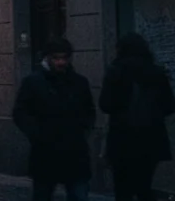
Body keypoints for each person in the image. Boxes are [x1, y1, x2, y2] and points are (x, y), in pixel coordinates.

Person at [13, 37, 95, 201]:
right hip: (46, 151)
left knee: (78, 194)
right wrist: (37, 134)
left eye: (64, 58)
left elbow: (89, 111)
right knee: (43, 193)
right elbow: (20, 112)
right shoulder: (33, 82)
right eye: (57, 58)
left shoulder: (79, 82)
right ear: (48, 58)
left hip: (75, 151)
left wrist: (82, 130)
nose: (61, 62)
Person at [98, 33, 174, 201]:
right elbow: (169, 106)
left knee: (122, 189)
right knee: (144, 186)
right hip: (151, 138)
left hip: (123, 137)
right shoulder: (156, 72)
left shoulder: (115, 71)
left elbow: (105, 105)